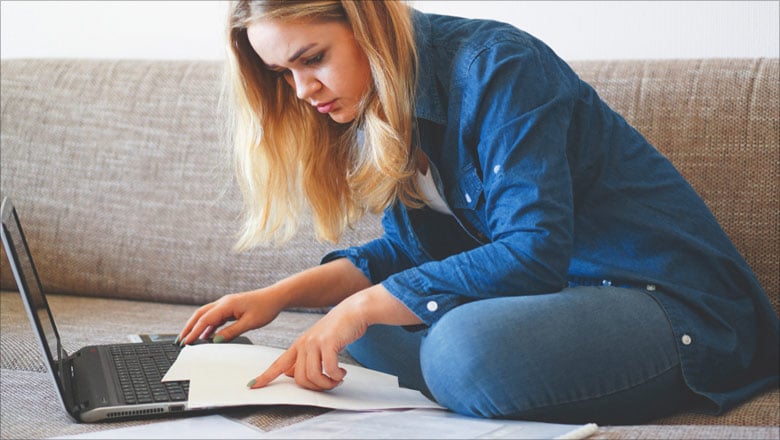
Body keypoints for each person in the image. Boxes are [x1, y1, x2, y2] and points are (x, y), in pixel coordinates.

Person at [177, 0, 779, 425]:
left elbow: (533, 249)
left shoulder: (497, 65)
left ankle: (474, 377)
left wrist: (360, 308)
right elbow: (411, 253)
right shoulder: (377, 103)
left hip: (665, 304)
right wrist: (281, 296)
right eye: (284, 73)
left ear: (368, 20)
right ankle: (482, 380)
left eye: (312, 58)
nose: (303, 89)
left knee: (458, 349)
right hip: (547, 304)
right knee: (369, 334)